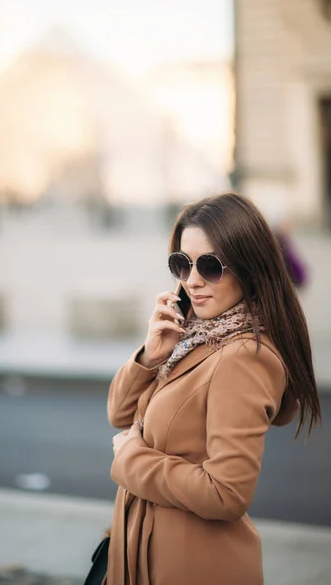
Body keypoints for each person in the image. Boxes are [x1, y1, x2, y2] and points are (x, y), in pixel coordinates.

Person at [104, 193, 321, 585]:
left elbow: (227, 493)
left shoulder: (243, 357)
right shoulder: (192, 338)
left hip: (190, 566)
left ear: (249, 267)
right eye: (182, 264)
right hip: (148, 553)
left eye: (210, 266)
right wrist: (151, 354)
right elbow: (119, 414)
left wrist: (131, 458)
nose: (192, 280)